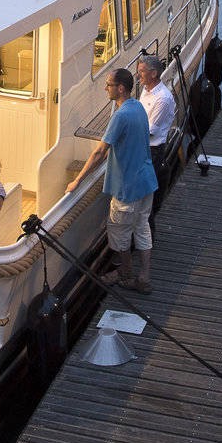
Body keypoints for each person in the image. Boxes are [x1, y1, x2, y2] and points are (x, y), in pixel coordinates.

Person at [66, 68, 157, 293]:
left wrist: (77, 180)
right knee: (142, 228)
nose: (105, 88)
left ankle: (125, 273)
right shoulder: (138, 107)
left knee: (119, 233)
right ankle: (144, 277)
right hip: (147, 181)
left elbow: (100, 151)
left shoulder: (120, 115)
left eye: (109, 84)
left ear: (121, 88)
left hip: (128, 187)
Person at [135, 54, 175, 226]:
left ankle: (147, 233)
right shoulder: (146, 90)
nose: (138, 75)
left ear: (153, 73)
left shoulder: (163, 99)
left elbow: (150, 131)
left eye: (142, 71)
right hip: (142, 147)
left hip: (152, 151)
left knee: (146, 196)